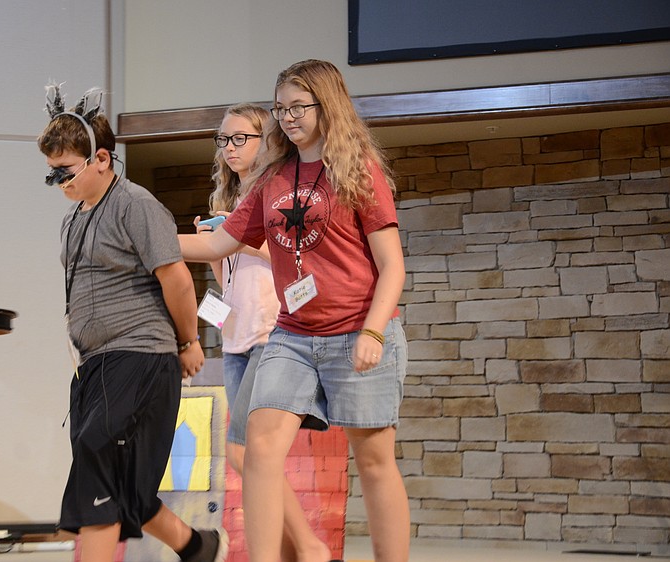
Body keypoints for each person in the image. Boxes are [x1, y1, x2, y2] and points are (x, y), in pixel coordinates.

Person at [178, 60, 410, 562]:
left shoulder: (358, 170)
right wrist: (144, 239)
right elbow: (217, 243)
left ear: (328, 105)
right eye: (280, 108)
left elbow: (393, 266)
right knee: (258, 448)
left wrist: (373, 332)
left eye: (298, 107)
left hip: (357, 329)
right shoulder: (272, 177)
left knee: (374, 462)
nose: (287, 117)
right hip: (293, 335)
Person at [38, 83, 228, 562]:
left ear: (101, 159)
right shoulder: (72, 219)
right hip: (95, 365)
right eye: (51, 173)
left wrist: (188, 342)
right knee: (122, 483)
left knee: (98, 459)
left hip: (138, 354)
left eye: (65, 170)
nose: (58, 182)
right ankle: (197, 547)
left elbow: (177, 280)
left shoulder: (135, 205)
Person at [193, 103, 330, 562]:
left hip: (274, 332)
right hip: (236, 335)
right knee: (251, 455)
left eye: (240, 139)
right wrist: (215, 245)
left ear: (265, 141)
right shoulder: (228, 202)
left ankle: (308, 545)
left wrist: (240, 238)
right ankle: (296, 549)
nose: (229, 149)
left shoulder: (280, 197)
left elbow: (298, 263)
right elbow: (226, 280)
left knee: (245, 452)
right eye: (223, 140)